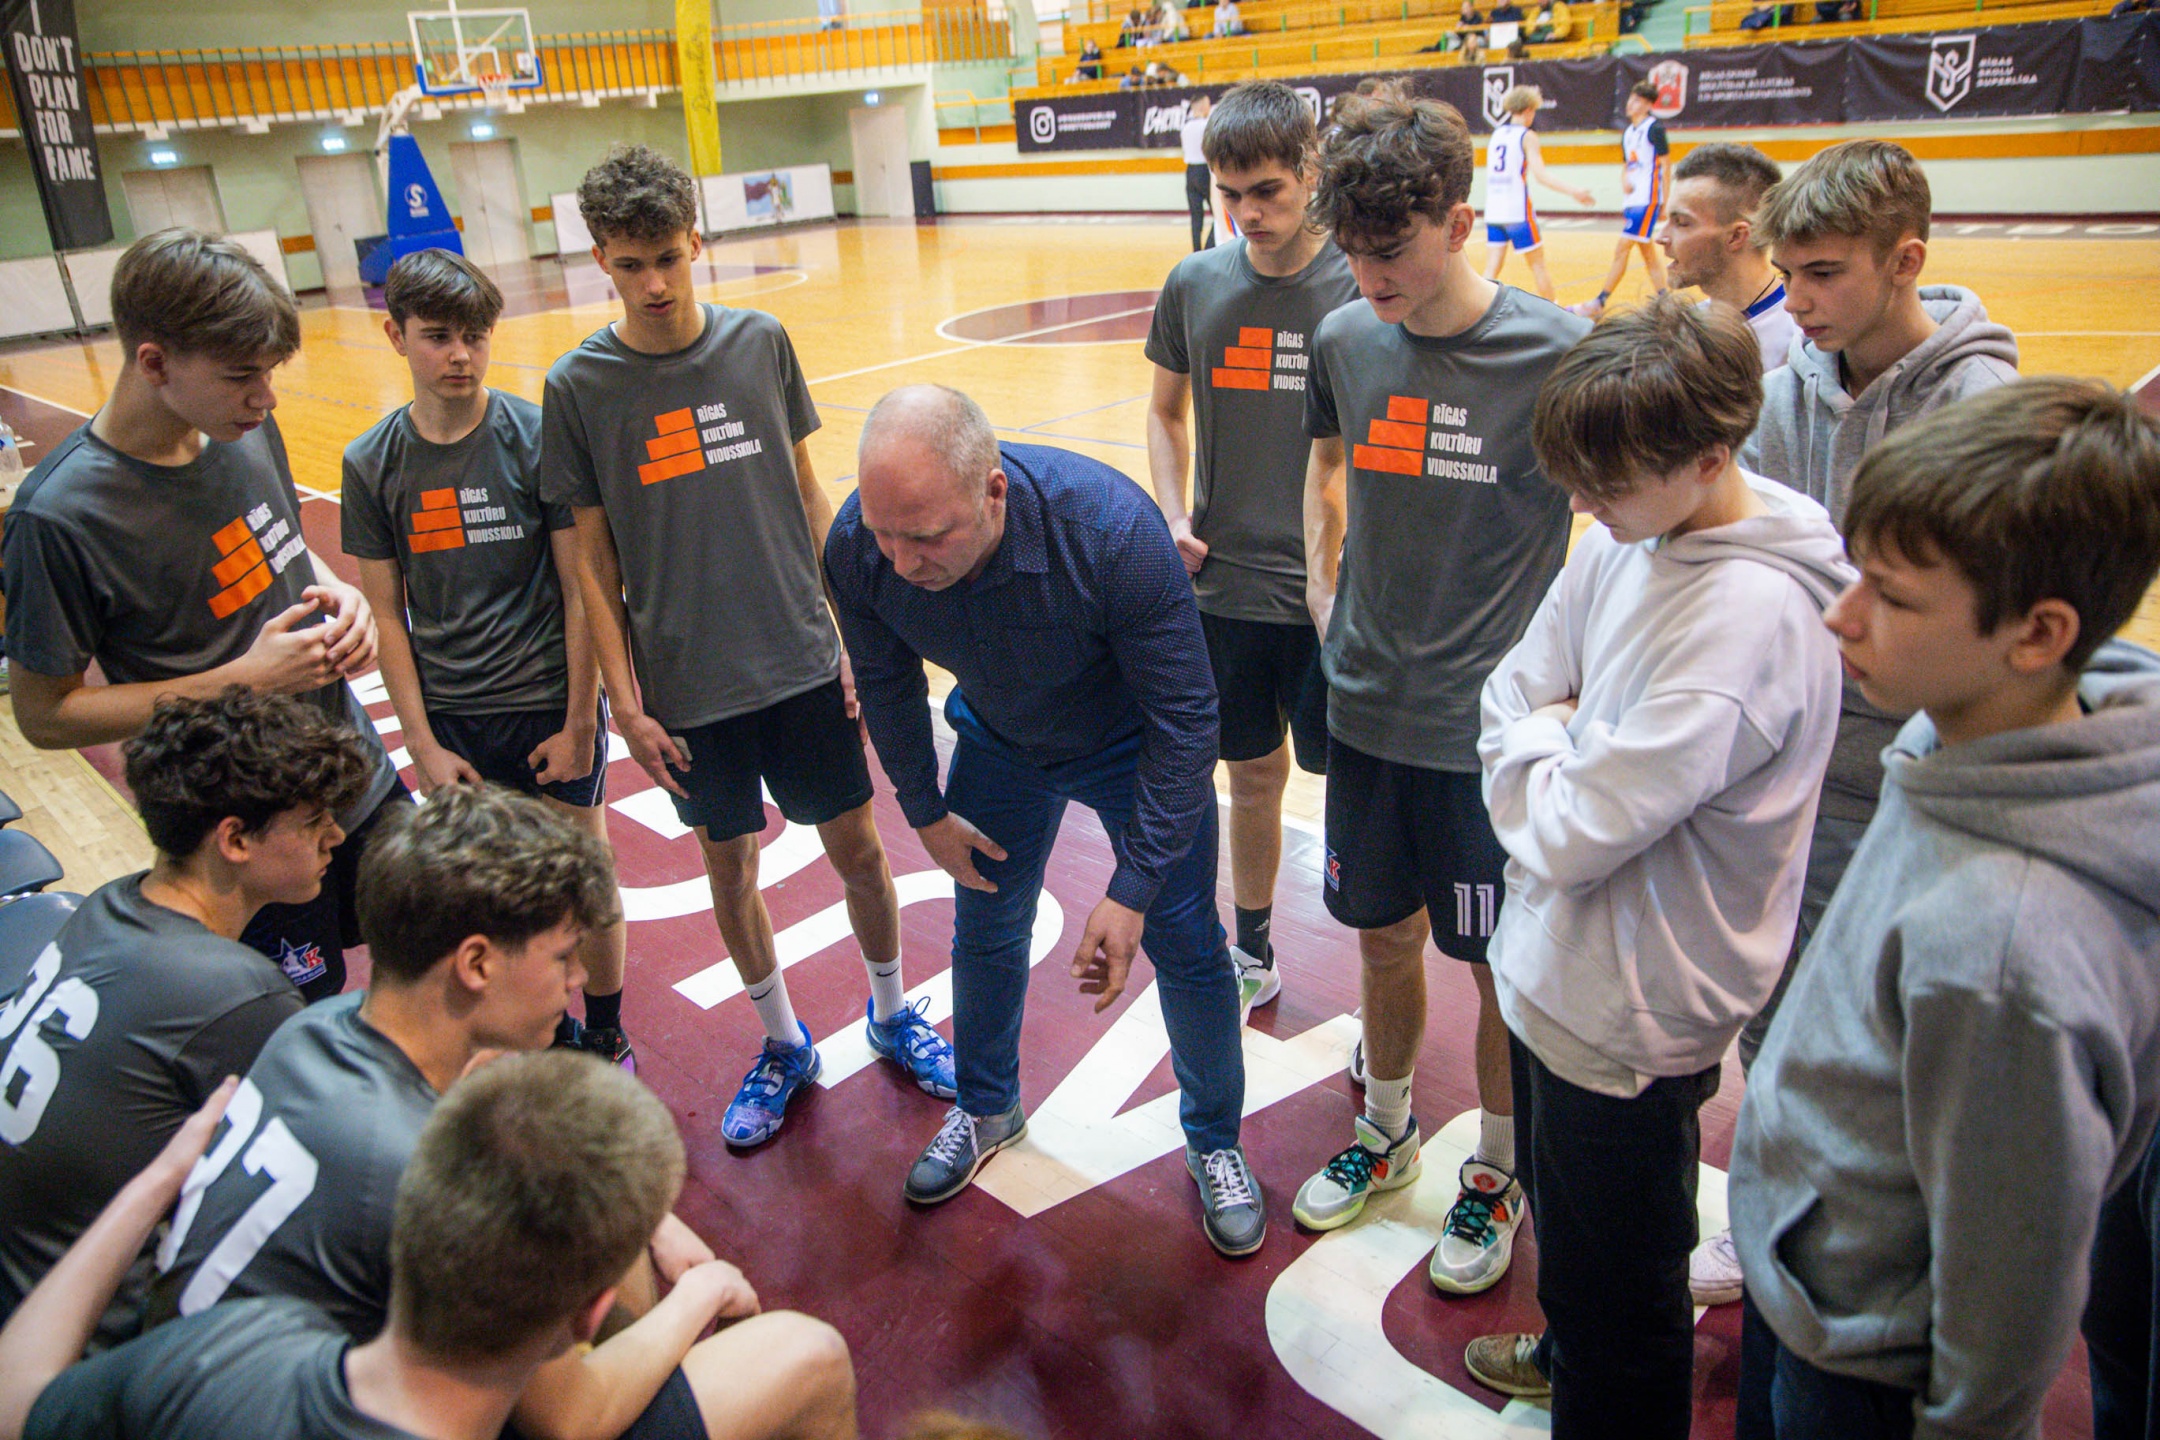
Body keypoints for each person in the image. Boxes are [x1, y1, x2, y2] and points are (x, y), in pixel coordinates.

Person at [151, 787, 857, 1440]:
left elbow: (490, 1085)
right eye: (562, 957)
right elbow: (572, 1420)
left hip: (206, 1387)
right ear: (477, 964)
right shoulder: (431, 1172)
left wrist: (653, 1221)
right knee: (808, 1356)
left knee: (607, 1224)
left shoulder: (321, 1025)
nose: (578, 980)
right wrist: (701, 1294)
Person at [1730, 378, 2160, 1440]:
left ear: (2038, 634)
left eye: (1891, 596)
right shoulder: (1953, 731)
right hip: (1816, 1281)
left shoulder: (2001, 952)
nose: (1840, 614)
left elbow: (2009, 1281)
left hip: (1867, 1365)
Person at [1463, 297, 1850, 1429]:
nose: (1583, 507)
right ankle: (1570, 1352)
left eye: (1608, 485)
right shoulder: (1628, 538)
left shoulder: (1747, 624)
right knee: (1578, 1264)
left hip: (1627, 1022)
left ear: (1710, 458)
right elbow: (1511, 687)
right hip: (1551, 976)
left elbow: (1570, 829)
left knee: (1624, 1314)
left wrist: (1545, 740)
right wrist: (1557, 735)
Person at [541, 144, 953, 1149]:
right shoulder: (578, 386)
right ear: (599, 259)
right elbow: (591, 558)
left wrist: (856, 636)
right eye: (631, 264)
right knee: (729, 868)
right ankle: (782, 1045)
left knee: (860, 850)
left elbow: (809, 495)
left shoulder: (760, 343)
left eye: (668, 258)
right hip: (687, 688)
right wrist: (625, 701)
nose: (654, 283)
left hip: (801, 662)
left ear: (697, 241)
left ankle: (891, 1012)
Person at [1692, 138, 2020, 1308]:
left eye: (1825, 273)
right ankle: (1771, 1225)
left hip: (1917, 783)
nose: (1799, 299)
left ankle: (1900, 1259)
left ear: (1906, 261)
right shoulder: (1783, 384)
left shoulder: (1979, 410)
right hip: (1796, 767)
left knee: (1906, 1046)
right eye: (1788, 273)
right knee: (1777, 1018)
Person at [826, 385, 1264, 1259]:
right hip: (999, 737)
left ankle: (1215, 1141)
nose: (901, 562)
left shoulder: (1111, 533)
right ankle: (987, 1107)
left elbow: (1188, 723)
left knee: (1185, 942)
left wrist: (1132, 887)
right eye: (885, 535)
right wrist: (925, 811)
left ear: (994, 492)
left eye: (927, 537)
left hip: (1131, 746)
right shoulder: (858, 546)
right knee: (986, 923)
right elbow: (884, 681)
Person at [1289, 91, 1591, 1298]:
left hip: (1489, 738)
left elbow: (1621, 525)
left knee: (1497, 963)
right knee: (1381, 936)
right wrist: (1323, 594)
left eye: (1392, 250)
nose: (1369, 276)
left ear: (1461, 224)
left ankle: (1500, 1167)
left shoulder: (1558, 353)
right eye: (1353, 251)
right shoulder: (1344, 338)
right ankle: (1388, 1126)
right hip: (1366, 707)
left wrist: (1569, 686)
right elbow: (1323, 471)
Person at [2, 1051, 841, 1440]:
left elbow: (17, 1400)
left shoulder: (237, 1347)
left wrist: (159, 1178)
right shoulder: (249, 1339)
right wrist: (703, 1289)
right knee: (811, 1355)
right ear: (589, 1314)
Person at [1, 228, 406, 1003]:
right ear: (154, 363)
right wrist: (242, 680)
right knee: (297, 1014)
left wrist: (340, 592)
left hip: (349, 770)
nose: (266, 397)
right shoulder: (59, 519)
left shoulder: (242, 429)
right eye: (241, 376)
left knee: (427, 943)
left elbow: (286, 547)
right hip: (241, 829)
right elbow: (45, 716)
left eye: (270, 373)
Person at [0, 689, 373, 1352]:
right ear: (234, 839)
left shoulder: (109, 903)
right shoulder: (236, 994)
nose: (336, 838)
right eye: (316, 820)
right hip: (84, 1349)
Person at [342, 248, 633, 1070]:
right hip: (454, 721)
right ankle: (529, 1030)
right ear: (396, 336)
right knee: (483, 896)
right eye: (438, 337)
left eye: (474, 336)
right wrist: (421, 745)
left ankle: (605, 1030)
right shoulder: (371, 462)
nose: (461, 355)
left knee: (586, 881)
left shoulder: (535, 437)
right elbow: (387, 615)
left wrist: (581, 723)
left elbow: (580, 586)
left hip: (547, 703)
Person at [1145, 81, 1358, 1026]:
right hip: (1226, 591)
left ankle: (1382, 1000)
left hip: (1337, 600)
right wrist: (1169, 514)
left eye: (1267, 190)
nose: (1247, 214)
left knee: (1361, 798)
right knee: (1253, 778)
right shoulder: (1195, 282)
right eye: (1230, 194)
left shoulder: (1359, 281)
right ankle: (1255, 950)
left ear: (1311, 171)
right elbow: (1163, 412)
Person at [1657, 142, 1796, 371]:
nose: (1661, 237)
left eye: (1681, 223)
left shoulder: (1802, 336)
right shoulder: (1684, 331)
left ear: (1736, 236)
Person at [1482, 87, 1595, 302]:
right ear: (1527, 110)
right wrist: (1575, 191)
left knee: (1491, 270)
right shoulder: (1527, 136)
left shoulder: (1496, 134)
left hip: (1494, 211)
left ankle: (1477, 314)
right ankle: (1555, 311)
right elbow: (1541, 176)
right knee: (1538, 266)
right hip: (1517, 212)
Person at [1568, 81, 1671, 319]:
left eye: (1637, 100)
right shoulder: (1628, 133)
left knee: (1622, 247)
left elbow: (1666, 165)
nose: (1630, 104)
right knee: (1647, 253)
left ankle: (1599, 301)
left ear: (1647, 105)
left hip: (1647, 198)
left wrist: (1665, 201)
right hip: (1633, 199)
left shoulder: (1654, 128)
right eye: (1631, 99)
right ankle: (1666, 302)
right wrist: (1624, 179)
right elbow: (1627, 165)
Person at [1180, 95, 1215, 250]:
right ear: (1202, 107)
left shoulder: (1185, 127)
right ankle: (1209, 247)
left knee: (1196, 217)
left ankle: (1196, 251)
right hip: (1205, 171)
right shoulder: (1207, 126)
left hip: (1190, 172)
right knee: (1219, 213)